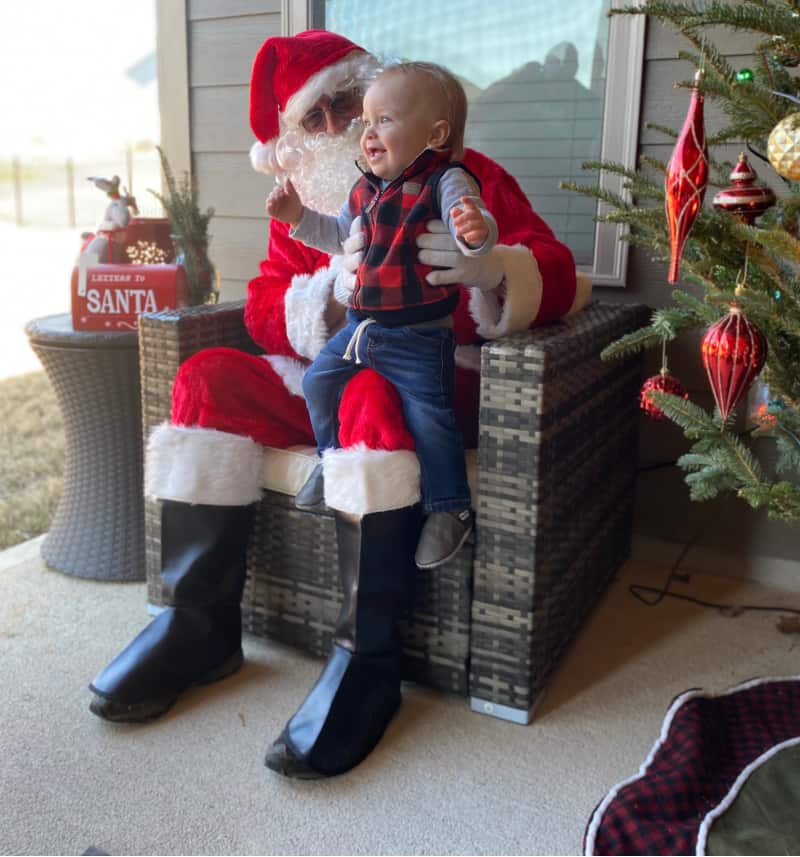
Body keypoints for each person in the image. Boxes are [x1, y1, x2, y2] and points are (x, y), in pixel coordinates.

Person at [87, 29, 591, 779]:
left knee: (364, 392)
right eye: (310, 118)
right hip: (330, 362)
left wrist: (491, 268)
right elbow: (262, 304)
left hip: (429, 374)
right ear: (291, 138)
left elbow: (558, 271)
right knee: (205, 379)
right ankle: (198, 623)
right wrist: (324, 296)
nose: (332, 128)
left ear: (377, 103)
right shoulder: (318, 201)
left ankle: (368, 659)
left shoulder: (461, 175)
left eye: (343, 105)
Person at [267, 61, 498, 570]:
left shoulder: (445, 179)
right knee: (319, 384)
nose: (368, 133)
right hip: (360, 330)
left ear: (434, 134)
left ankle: (450, 509)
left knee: (431, 421)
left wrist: (474, 232)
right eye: (367, 121)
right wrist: (298, 220)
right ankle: (330, 461)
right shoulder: (363, 188)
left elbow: (471, 218)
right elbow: (336, 236)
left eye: (384, 120)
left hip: (419, 335)